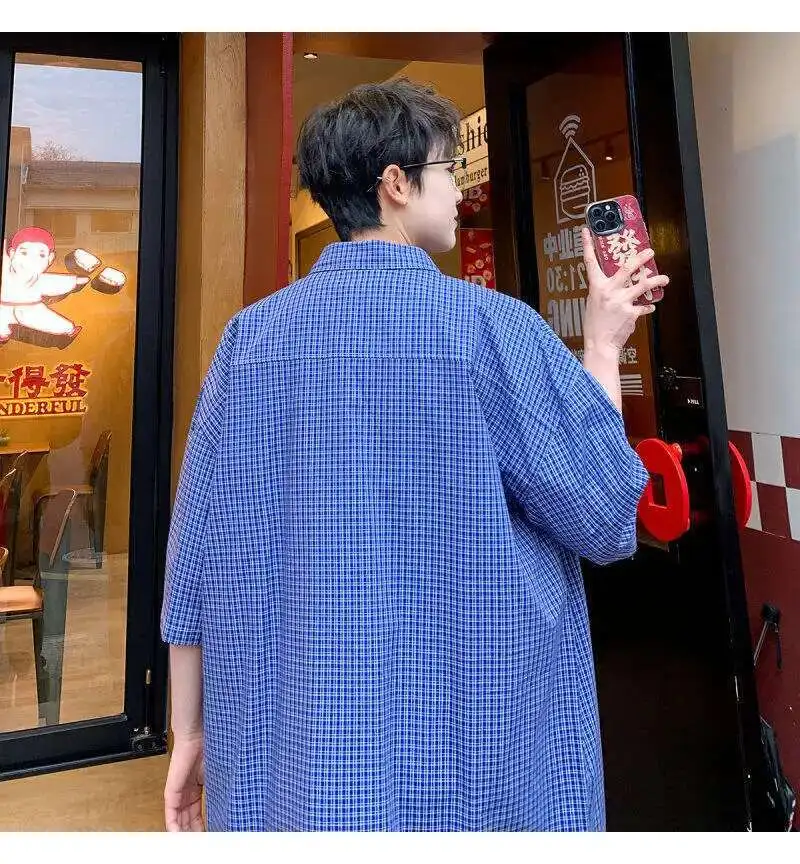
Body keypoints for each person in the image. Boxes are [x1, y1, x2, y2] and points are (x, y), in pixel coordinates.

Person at [161, 78, 668, 832]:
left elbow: (196, 555)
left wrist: (188, 731)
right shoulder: (494, 329)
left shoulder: (250, 340)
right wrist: (602, 344)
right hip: (480, 750)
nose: (460, 191)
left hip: (305, 754)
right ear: (396, 184)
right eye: (448, 170)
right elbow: (602, 511)